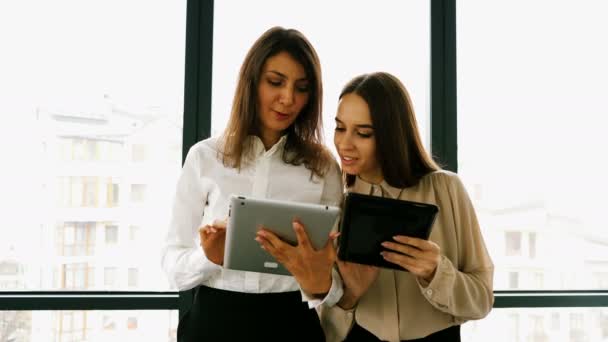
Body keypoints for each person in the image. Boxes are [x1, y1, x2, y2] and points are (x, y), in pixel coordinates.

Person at [160, 26, 344, 341]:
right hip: (214, 322)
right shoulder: (205, 157)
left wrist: (320, 279)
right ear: (251, 82)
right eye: (275, 82)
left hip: (292, 323)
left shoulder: (323, 167)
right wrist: (211, 256)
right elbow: (173, 267)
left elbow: (338, 286)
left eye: (301, 88)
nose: (288, 99)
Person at [321, 72, 494, 341]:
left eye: (363, 133)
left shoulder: (446, 190)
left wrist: (435, 271)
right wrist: (350, 295)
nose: (344, 143)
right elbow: (326, 330)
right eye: (340, 128)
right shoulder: (337, 205)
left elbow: (482, 300)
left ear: (392, 134)